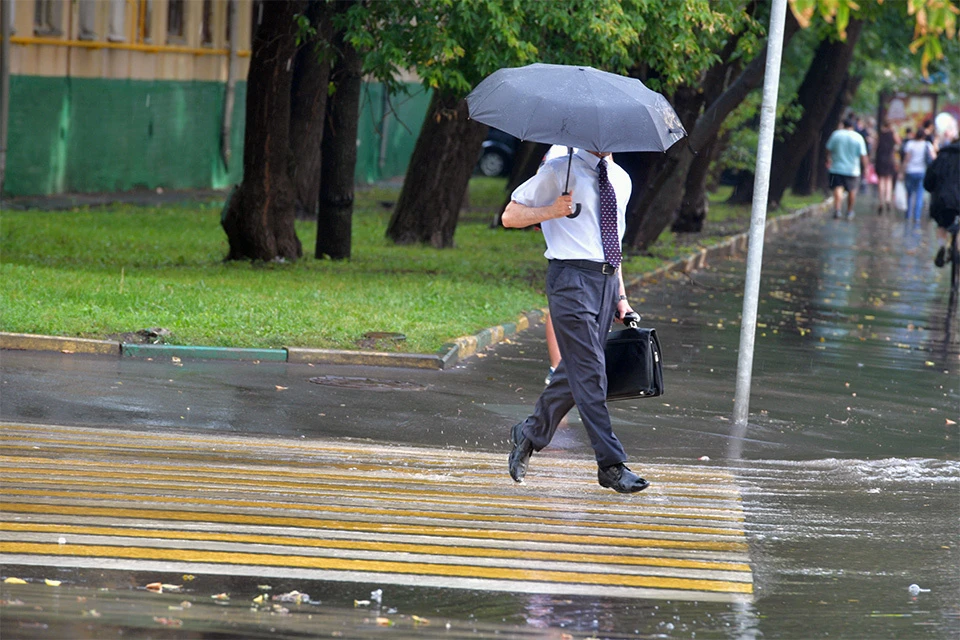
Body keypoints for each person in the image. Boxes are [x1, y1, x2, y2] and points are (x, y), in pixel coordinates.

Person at [501, 148, 648, 493]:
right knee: (592, 372)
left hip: (605, 282)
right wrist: (552, 210)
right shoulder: (558, 171)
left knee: (576, 371)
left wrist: (621, 297)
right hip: (570, 279)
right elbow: (510, 216)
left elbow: (613, 245)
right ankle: (610, 465)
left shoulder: (621, 179)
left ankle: (529, 432)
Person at [924, 116, 959, 267]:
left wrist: (932, 189)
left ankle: (942, 246)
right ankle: (958, 250)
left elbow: (929, 179)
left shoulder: (942, 155)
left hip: (943, 199)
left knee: (942, 224)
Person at [825, 116, 868, 220]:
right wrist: (866, 168)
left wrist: (828, 159)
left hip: (837, 167)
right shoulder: (858, 137)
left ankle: (837, 210)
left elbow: (828, 149)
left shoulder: (836, 135)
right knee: (852, 191)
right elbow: (863, 155)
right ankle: (849, 211)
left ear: (843, 125)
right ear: (852, 126)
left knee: (838, 188)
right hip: (853, 170)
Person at [902, 128, 937, 224]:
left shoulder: (910, 144)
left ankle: (908, 214)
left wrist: (902, 171)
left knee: (909, 194)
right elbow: (934, 158)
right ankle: (917, 216)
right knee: (919, 195)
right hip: (922, 172)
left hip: (910, 171)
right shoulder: (927, 145)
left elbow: (906, 159)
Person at [874, 120, 901, 214]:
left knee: (881, 180)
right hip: (890, 159)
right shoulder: (893, 134)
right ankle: (888, 199)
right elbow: (899, 143)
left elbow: (874, 147)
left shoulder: (879, 134)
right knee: (888, 180)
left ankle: (881, 201)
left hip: (880, 159)